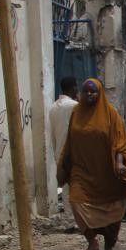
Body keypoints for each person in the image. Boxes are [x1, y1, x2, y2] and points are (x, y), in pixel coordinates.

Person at [57, 79, 126, 250]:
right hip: (82, 172)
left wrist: (119, 163)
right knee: (76, 201)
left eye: (93, 92)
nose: (89, 95)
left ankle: (109, 246)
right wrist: (65, 165)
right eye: (86, 91)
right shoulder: (76, 113)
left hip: (107, 172)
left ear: (100, 93)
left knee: (113, 209)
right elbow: (70, 141)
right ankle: (91, 242)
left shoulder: (111, 114)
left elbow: (120, 142)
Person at [50, 76, 79, 218]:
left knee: (66, 186)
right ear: (74, 88)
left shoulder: (54, 107)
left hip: (59, 151)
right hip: (73, 152)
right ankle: (76, 218)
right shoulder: (74, 106)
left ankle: (69, 217)